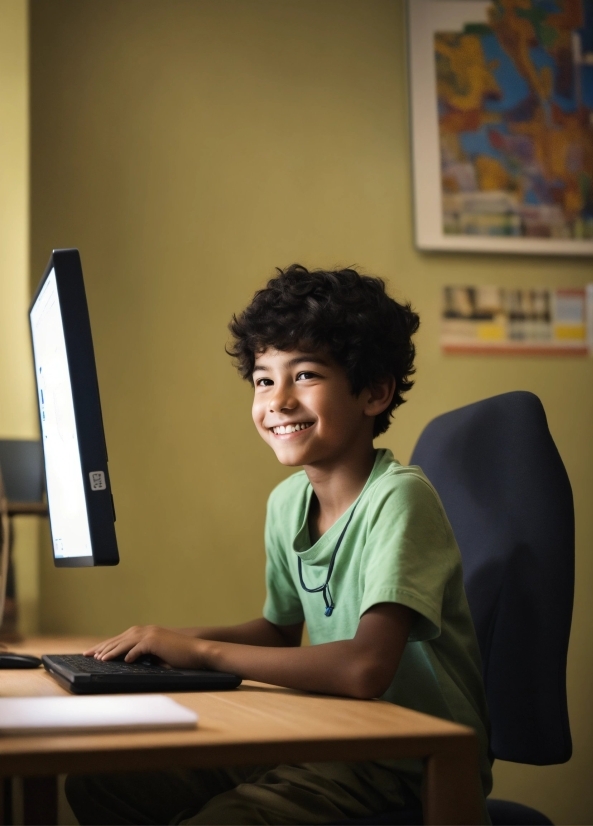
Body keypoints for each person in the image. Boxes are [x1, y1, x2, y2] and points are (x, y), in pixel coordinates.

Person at [66, 265, 492, 825]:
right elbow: (278, 630)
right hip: (331, 733)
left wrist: (205, 655)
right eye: (264, 380)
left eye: (306, 375)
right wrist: (167, 641)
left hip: (406, 758)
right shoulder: (288, 502)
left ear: (374, 392)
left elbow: (367, 668)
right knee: (104, 785)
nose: (278, 400)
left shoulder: (400, 499)